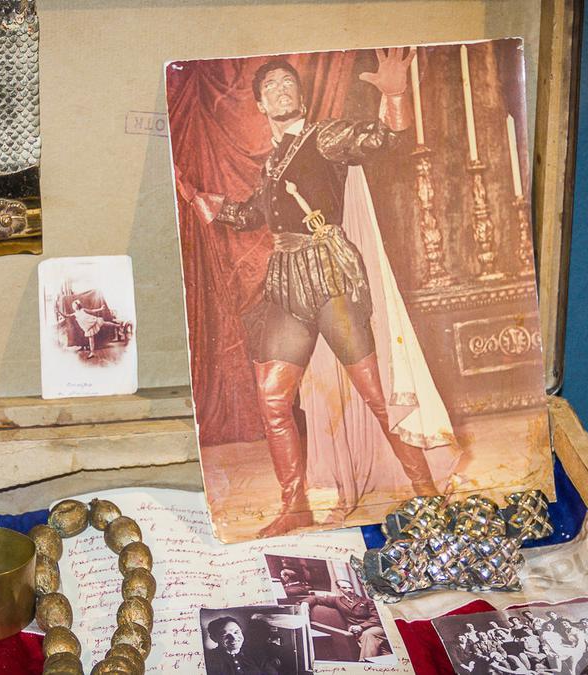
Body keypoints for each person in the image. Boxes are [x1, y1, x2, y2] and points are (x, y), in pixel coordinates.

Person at [187, 51, 448, 537]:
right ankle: (295, 505)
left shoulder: (323, 136)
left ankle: (426, 492)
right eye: (271, 86)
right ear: (261, 105)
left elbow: (381, 139)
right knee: (272, 399)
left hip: (329, 276)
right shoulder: (271, 162)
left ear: (300, 96)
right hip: (287, 281)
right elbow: (253, 215)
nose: (281, 89)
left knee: (376, 394)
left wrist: (394, 97)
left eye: (288, 82)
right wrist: (208, 204)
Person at [302, 578, 390, 660]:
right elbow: (317, 599)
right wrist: (305, 603)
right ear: (339, 589)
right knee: (378, 646)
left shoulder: (366, 601)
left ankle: (365, 664)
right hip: (355, 631)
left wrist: (361, 626)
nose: (349, 590)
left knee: (367, 634)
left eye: (350, 588)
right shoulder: (337, 600)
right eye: (345, 588)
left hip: (375, 628)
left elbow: (376, 618)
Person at [204, 616, 280, 675]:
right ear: (214, 638)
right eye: (225, 635)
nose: (233, 638)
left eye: (236, 632)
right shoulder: (208, 659)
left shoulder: (255, 653)